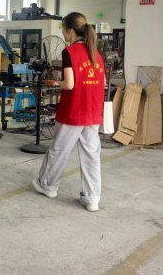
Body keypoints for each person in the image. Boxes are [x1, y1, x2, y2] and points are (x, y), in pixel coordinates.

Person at [33, 12, 105, 212]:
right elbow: (103, 82)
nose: (63, 33)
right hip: (92, 111)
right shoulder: (95, 53)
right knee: (91, 156)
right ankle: (92, 198)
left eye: (63, 29)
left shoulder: (69, 52)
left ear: (71, 30)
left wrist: (56, 82)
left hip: (73, 111)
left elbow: (70, 84)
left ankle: (48, 185)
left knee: (59, 150)